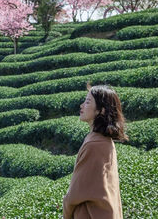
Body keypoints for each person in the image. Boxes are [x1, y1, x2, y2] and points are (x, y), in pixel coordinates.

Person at [62, 84, 127, 219]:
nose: (82, 105)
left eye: (87, 102)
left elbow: (76, 193)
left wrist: (66, 213)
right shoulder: (102, 140)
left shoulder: (94, 144)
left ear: (101, 110)